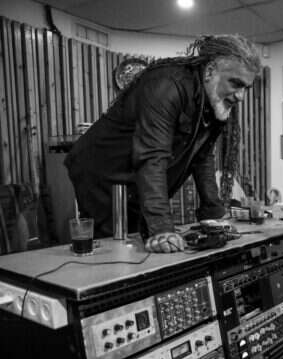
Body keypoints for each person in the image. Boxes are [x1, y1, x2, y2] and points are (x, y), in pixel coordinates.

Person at [64, 34, 261, 253]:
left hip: (135, 177)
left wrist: (214, 215)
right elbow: (152, 156)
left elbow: (203, 157)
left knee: (141, 240)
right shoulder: (167, 85)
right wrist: (161, 229)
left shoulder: (214, 101)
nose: (241, 96)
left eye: (246, 88)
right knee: (116, 248)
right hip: (101, 174)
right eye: (236, 83)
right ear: (210, 71)